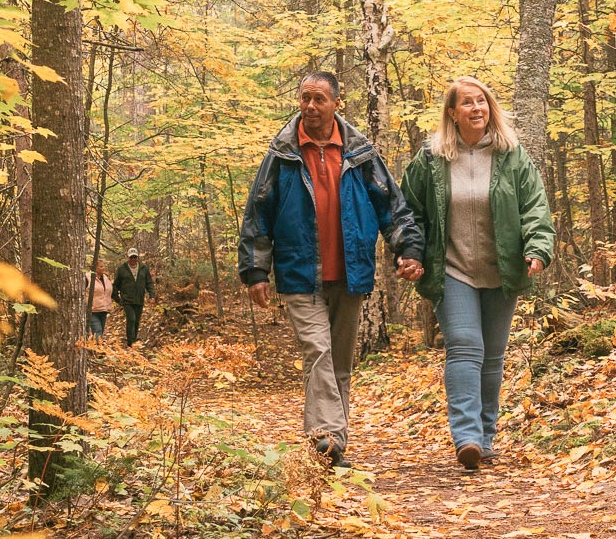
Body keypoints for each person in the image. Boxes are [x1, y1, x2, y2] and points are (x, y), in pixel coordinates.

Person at [238, 71, 425, 467]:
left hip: (350, 273)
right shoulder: (282, 153)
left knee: (339, 361)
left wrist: (408, 249)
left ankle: (332, 444)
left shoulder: (361, 154)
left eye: (319, 99)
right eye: (304, 98)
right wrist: (256, 270)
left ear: (337, 104)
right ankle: (325, 440)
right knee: (318, 353)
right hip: (298, 274)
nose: (310, 106)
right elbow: (259, 212)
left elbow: (392, 206)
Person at [401, 76, 555, 471]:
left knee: (492, 357)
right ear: (452, 113)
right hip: (451, 268)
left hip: (502, 269)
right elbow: (409, 214)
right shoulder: (431, 159)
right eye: (467, 103)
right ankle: (466, 436)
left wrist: (538, 249)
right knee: (466, 346)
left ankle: (485, 439)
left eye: (482, 102)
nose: (476, 108)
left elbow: (535, 208)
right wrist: (410, 253)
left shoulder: (512, 156)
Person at [112, 247, 154, 346]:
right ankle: (130, 341)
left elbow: (149, 283)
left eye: (135, 257)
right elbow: (116, 284)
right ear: (128, 258)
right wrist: (117, 298)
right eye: (131, 257)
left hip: (139, 299)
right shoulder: (122, 269)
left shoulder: (144, 268)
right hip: (127, 300)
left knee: (136, 321)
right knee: (131, 319)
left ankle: (134, 339)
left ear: (138, 257)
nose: (133, 260)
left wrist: (152, 295)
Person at [86, 261, 113, 338]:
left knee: (100, 331)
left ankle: (96, 347)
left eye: (103, 266)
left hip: (103, 310)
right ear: (95, 268)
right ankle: (98, 347)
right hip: (92, 311)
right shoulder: (88, 277)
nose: (103, 268)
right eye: (101, 267)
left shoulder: (106, 278)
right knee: (97, 331)